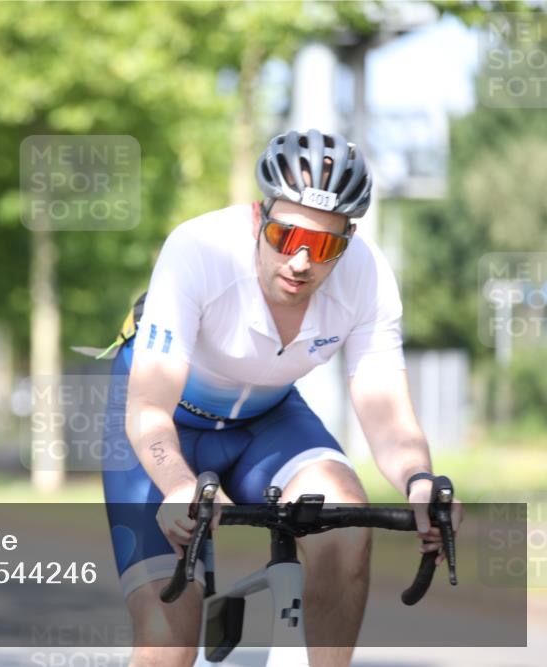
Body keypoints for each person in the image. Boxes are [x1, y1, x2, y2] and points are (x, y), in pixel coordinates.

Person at [102, 129, 463, 667]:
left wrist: (419, 480)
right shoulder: (198, 249)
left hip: (263, 422)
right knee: (168, 639)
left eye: (324, 246)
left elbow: (385, 404)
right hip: (164, 425)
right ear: (257, 216)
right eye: (283, 235)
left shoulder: (368, 277)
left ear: (349, 240)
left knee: (345, 519)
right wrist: (176, 484)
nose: (299, 261)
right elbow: (149, 406)